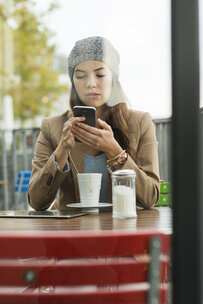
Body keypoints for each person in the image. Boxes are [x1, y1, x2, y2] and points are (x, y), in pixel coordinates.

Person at [28, 36, 160, 211]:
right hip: (72, 233)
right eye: (81, 76)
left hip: (122, 230)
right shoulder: (53, 127)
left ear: (113, 78)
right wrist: (61, 151)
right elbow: (37, 202)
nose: (91, 84)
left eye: (100, 74)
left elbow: (150, 198)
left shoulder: (140, 122)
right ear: (73, 82)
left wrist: (115, 151)